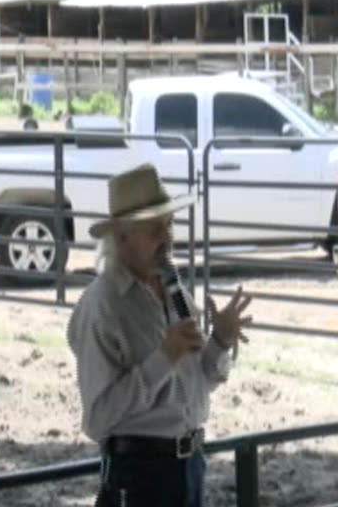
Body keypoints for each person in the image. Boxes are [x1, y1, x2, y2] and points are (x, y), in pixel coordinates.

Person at [67, 163, 254, 507]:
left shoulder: (173, 288)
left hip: (189, 466)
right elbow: (99, 419)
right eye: (155, 229)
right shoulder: (102, 306)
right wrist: (164, 358)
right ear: (122, 236)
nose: (167, 238)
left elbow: (197, 379)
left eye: (169, 225)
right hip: (139, 475)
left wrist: (221, 341)